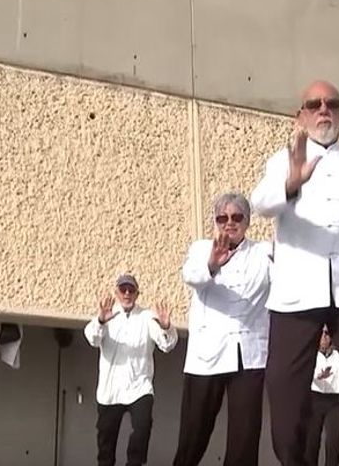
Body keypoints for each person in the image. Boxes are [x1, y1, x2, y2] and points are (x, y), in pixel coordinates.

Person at [251, 79, 339, 465]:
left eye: (332, 104)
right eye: (314, 104)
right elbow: (261, 203)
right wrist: (291, 182)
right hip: (297, 292)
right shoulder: (282, 160)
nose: (324, 110)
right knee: (286, 400)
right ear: (300, 115)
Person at [173, 192, 272, 466]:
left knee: (245, 438)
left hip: (249, 355)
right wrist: (212, 265)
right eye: (222, 218)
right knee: (193, 434)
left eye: (237, 217)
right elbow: (190, 276)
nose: (229, 223)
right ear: (215, 221)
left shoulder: (263, 252)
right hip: (208, 355)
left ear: (247, 221)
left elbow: (284, 281)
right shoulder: (201, 248)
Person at [84, 274, 178, 466]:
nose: (127, 293)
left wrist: (167, 327)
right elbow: (92, 339)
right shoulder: (107, 315)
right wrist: (101, 321)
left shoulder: (148, 317)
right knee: (106, 447)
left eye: (131, 290)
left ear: (137, 293)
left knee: (142, 429)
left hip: (139, 388)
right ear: (117, 292)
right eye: (123, 289)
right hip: (110, 392)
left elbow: (166, 345)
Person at [306, 327, 339, 466]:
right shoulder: (310, 354)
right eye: (321, 334)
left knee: (333, 442)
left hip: (334, 401)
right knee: (312, 440)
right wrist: (319, 376)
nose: (324, 337)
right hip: (315, 399)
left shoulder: (338, 356)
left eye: (327, 334)